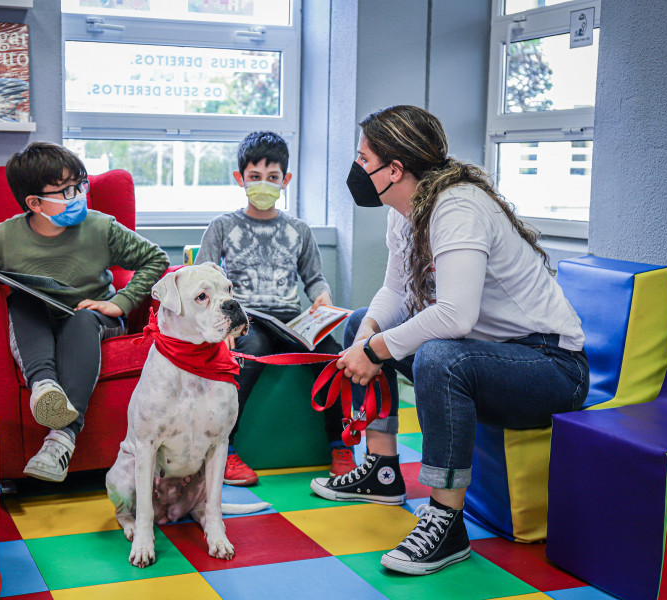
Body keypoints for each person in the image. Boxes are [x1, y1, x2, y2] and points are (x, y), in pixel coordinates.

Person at [310, 105, 589, 575]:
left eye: (363, 159)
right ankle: (382, 470)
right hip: (492, 356)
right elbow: (395, 291)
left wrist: (376, 351)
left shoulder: (457, 207)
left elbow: (457, 316)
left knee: (440, 357)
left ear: (394, 169)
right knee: (362, 319)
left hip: (550, 365)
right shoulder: (405, 210)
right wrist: (366, 334)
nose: (357, 168)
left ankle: (446, 519)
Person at [0, 141, 169, 483]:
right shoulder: (4, 236)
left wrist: (120, 302)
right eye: (65, 191)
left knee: (80, 318)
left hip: (94, 318)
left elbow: (156, 259)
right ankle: (45, 386)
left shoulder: (100, 226)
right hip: (41, 318)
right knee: (20, 299)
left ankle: (62, 439)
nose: (77, 195)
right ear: (34, 203)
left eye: (80, 185)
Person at [196, 131, 356, 487]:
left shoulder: (299, 229)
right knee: (248, 358)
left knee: (333, 358)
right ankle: (225, 448)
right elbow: (204, 280)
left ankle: (340, 447)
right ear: (240, 179)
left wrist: (323, 297)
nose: (263, 185)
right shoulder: (223, 225)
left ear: (286, 180)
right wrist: (220, 328)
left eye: (272, 178)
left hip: (291, 319)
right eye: (254, 177)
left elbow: (314, 278)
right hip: (245, 318)